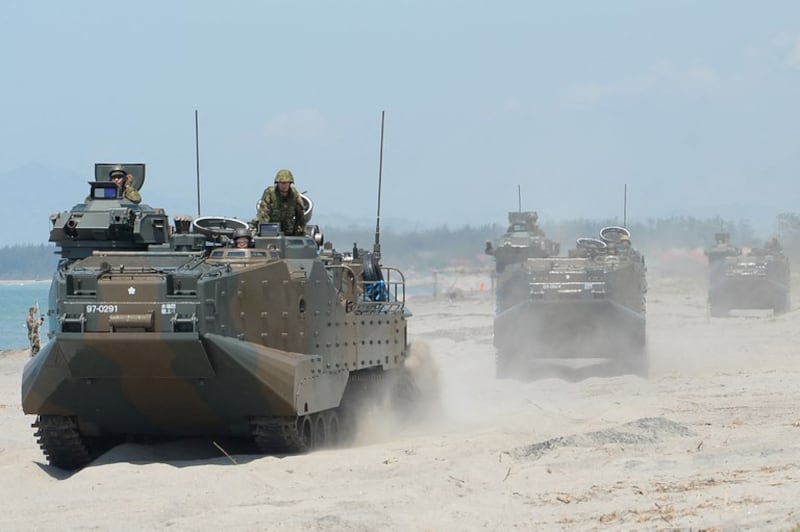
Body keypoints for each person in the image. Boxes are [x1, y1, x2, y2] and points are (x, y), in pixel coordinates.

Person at [256, 169, 306, 236]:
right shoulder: (270, 193)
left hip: (290, 233)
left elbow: (300, 216)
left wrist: (302, 232)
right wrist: (265, 232)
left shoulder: (294, 194)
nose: (284, 185)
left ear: (290, 183)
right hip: (272, 232)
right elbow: (263, 214)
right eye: (282, 183)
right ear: (278, 183)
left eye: (286, 183)